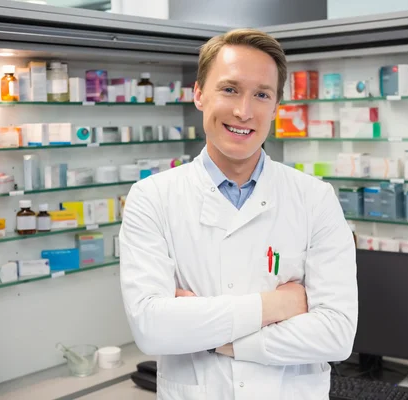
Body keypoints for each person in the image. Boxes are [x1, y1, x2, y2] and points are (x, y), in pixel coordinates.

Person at [119, 28, 358, 400]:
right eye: (229, 89)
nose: (244, 111)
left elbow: (337, 335)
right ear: (199, 94)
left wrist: (220, 340)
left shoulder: (315, 199)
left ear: (276, 106)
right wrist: (276, 305)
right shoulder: (152, 198)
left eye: (261, 94)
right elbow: (152, 329)